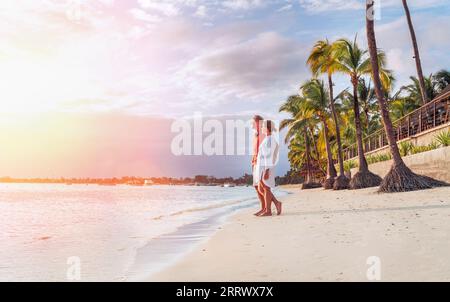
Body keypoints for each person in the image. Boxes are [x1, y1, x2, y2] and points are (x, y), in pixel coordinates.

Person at [255, 120, 282, 217]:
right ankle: (275, 204)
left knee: (266, 188)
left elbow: (269, 156)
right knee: (263, 188)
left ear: (266, 128)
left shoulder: (270, 140)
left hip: (266, 167)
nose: (261, 128)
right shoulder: (267, 139)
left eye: (262, 127)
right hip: (263, 166)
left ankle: (268, 211)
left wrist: (267, 169)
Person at [252, 115, 266, 216]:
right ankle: (263, 207)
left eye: (254, 122)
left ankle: (267, 207)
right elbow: (255, 149)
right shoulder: (256, 135)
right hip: (255, 162)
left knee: (263, 186)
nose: (253, 124)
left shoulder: (263, 134)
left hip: (261, 163)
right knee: (257, 186)